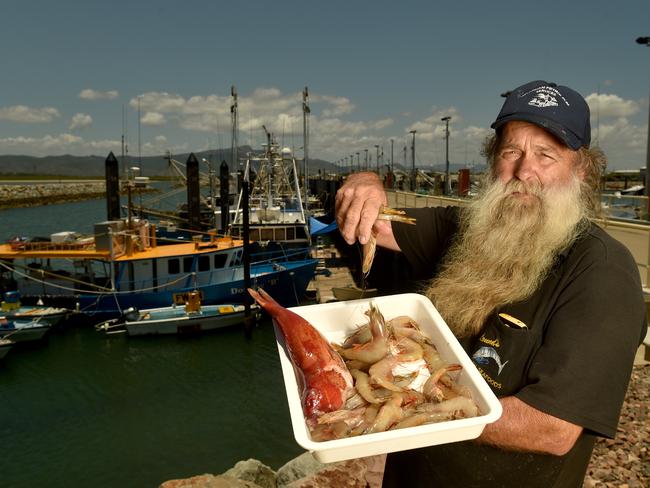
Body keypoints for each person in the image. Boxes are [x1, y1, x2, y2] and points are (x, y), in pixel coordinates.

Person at [335, 80, 647, 487]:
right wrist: (364, 181)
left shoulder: (603, 273)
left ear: (582, 170)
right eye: (511, 151)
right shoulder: (465, 227)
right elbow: (370, 223)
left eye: (546, 155)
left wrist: (408, 411)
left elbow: (552, 428)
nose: (524, 171)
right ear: (493, 159)